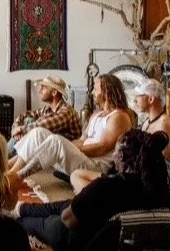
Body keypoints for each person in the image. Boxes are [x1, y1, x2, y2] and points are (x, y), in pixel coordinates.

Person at [15, 130, 170, 251]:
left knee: (41, 222)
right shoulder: (159, 188)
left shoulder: (108, 185)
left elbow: (68, 220)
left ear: (122, 157)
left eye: (115, 152)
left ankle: (20, 216)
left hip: (84, 249)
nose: (113, 156)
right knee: (64, 204)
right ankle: (22, 208)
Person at [8, 74, 136, 181]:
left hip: (96, 166)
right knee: (38, 133)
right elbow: (82, 139)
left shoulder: (119, 117)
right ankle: (10, 170)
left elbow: (102, 148)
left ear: (107, 92)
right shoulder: (97, 115)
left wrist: (70, 148)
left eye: (95, 89)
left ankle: (17, 177)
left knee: (56, 141)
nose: (92, 92)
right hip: (83, 157)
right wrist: (70, 148)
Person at [71, 78, 170, 192]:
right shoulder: (148, 121)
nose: (136, 100)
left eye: (139, 96)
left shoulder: (164, 124)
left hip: (146, 181)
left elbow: (157, 164)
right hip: (136, 173)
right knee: (77, 176)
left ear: (151, 99)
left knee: (81, 179)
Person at [8, 75, 83, 155]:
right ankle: (4, 158)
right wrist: (16, 126)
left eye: (44, 88)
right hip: (51, 148)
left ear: (54, 93)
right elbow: (26, 114)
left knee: (30, 127)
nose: (39, 91)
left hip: (65, 152)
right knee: (28, 120)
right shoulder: (48, 109)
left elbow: (42, 126)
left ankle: (2, 158)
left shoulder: (66, 111)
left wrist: (21, 130)